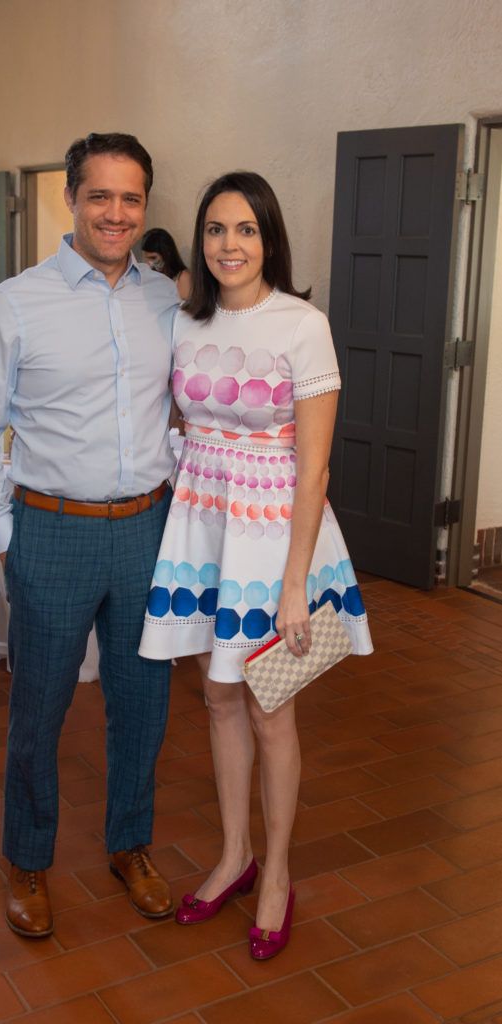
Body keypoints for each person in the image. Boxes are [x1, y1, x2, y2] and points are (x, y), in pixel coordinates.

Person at [139, 171, 373, 960]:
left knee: (271, 706)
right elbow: (175, 420)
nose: (228, 245)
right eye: (214, 230)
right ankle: (233, 854)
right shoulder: (183, 322)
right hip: (203, 524)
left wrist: (294, 583)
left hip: (273, 535)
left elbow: (314, 470)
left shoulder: (301, 326)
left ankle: (275, 871)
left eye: (244, 229)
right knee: (214, 693)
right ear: (199, 242)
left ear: (268, 238)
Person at [0, 132, 179, 939]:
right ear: (70, 198)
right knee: (39, 711)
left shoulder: (165, 301)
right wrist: (8, 536)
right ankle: (29, 861)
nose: (114, 213)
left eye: (130, 198)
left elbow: (178, 412)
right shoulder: (16, 304)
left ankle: (130, 846)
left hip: (147, 531)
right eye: (99, 195)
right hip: (49, 532)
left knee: (143, 705)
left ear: (143, 206)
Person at [141, 227, 191, 300]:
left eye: (153, 258)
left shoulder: (183, 278)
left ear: (167, 253)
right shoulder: (153, 275)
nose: (150, 263)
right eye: (147, 258)